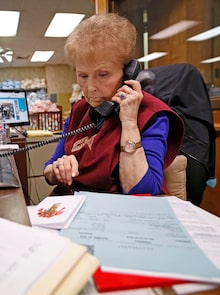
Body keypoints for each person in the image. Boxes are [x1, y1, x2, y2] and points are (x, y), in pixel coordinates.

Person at [43, 13, 184, 196]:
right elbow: (49, 170)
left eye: (103, 75)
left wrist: (129, 123)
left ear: (128, 73)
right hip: (72, 207)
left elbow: (141, 191)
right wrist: (57, 170)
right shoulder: (79, 111)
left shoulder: (152, 115)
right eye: (83, 76)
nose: (90, 87)